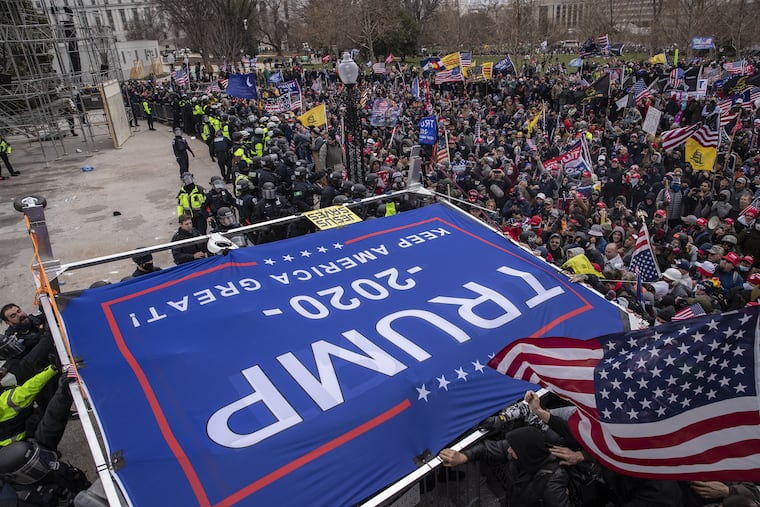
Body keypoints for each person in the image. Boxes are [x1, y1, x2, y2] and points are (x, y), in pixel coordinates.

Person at [439, 425, 574, 506]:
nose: (508, 450)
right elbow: (487, 449)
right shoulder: (519, 449)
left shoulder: (553, 482)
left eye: (513, 449)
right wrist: (464, 457)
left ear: (524, 452)